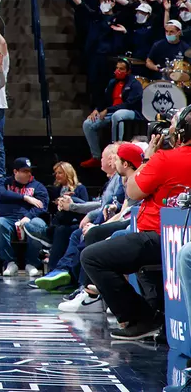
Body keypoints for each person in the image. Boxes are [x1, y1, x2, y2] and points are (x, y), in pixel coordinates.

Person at [82, 117, 191, 339]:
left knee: (92, 257)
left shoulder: (165, 158)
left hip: (161, 237)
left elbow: (132, 192)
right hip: (178, 237)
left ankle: (142, 318)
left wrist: (147, 159)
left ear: (179, 135)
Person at [0, 158, 50, 276]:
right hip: (8, 218)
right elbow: (0, 194)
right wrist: (25, 197)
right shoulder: (4, 183)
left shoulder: (38, 186)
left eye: (29, 171)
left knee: (38, 224)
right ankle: (10, 263)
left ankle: (32, 263)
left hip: (30, 218)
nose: (28, 174)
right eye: (24, 171)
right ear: (15, 172)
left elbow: (42, 205)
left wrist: (28, 216)